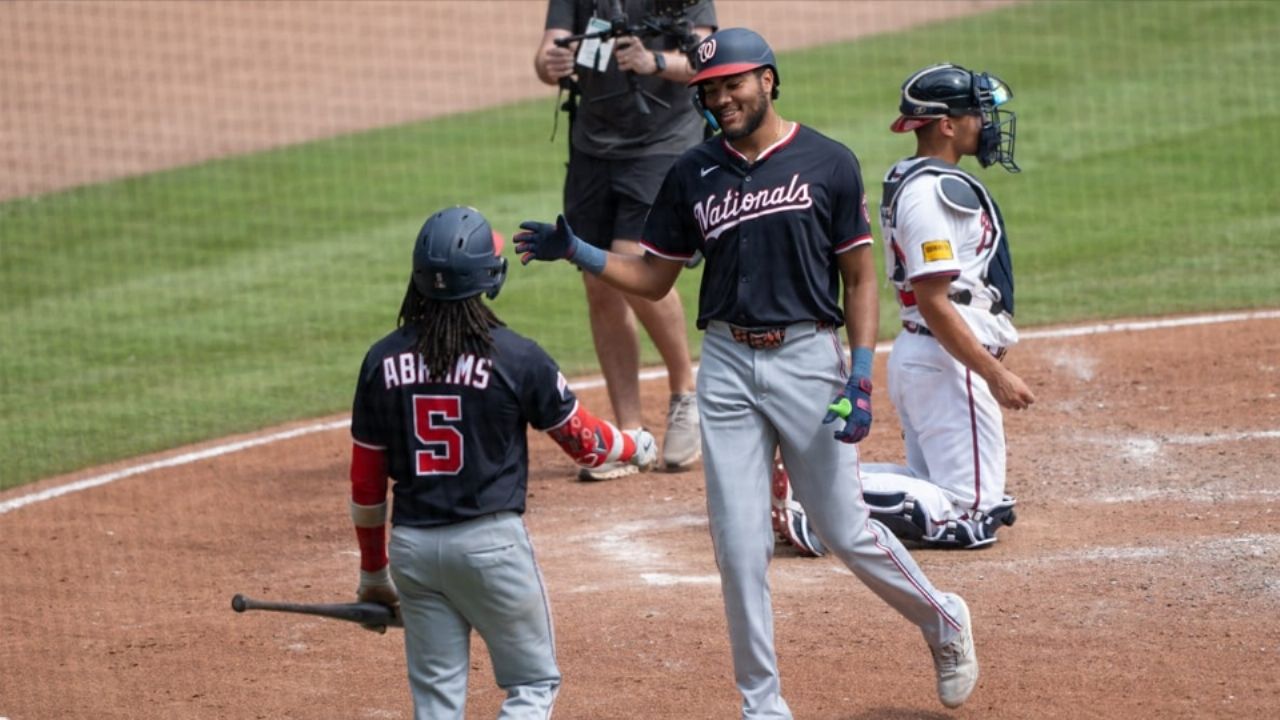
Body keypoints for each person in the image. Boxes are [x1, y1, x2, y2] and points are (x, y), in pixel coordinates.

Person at [516, 28, 980, 716]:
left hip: (808, 358)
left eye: (732, 84)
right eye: (708, 90)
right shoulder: (691, 173)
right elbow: (650, 279)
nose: (719, 98)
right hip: (728, 365)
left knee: (844, 528)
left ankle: (942, 618)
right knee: (738, 547)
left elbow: (858, 277)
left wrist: (858, 374)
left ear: (768, 79)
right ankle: (762, 705)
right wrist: (578, 249)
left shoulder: (827, 162)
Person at [346, 206, 657, 719]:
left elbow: (366, 482)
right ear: (489, 278)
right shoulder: (516, 357)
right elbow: (585, 444)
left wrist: (374, 572)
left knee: (437, 701)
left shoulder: (381, 360)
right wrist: (634, 445)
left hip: (414, 552)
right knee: (533, 684)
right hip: (491, 550)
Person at [533, 0, 717, 480]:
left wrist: (653, 61)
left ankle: (685, 392)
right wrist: (549, 64)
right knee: (598, 280)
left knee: (631, 259)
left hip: (663, 142)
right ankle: (630, 433)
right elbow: (547, 53)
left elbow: (707, 59)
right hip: (592, 144)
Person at [855, 63, 1036, 550]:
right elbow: (935, 302)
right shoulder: (933, 195)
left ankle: (820, 483)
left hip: (932, 360)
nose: (989, 123)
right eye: (979, 113)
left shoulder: (916, 180)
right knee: (970, 515)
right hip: (947, 361)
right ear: (947, 125)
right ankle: (817, 496)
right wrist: (994, 376)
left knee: (943, 489)